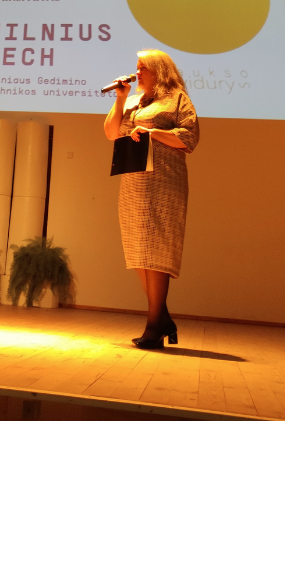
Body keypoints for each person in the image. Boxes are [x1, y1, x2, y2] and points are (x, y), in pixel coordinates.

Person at [103, 49, 199, 349]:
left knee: (157, 248)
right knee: (139, 250)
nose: (137, 73)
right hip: (134, 181)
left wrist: (153, 131)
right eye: (137, 67)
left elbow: (189, 138)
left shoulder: (177, 99)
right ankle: (161, 319)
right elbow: (111, 133)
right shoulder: (133, 102)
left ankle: (155, 324)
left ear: (160, 69)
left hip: (163, 181)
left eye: (143, 68)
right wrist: (120, 99)